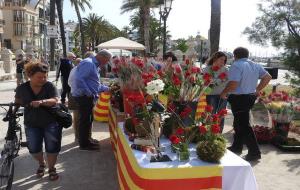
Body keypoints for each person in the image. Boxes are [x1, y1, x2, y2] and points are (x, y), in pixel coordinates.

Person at [220, 47, 272, 161]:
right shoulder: (255, 64)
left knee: (244, 124)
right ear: (247, 55)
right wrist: (257, 89)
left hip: (239, 98)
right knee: (238, 122)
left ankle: (254, 152)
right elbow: (268, 77)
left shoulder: (236, 65)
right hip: (249, 97)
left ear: (235, 55)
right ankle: (237, 146)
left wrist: (224, 93)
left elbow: (233, 84)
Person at [14, 62, 61, 181]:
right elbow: (18, 101)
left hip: (51, 122)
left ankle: (52, 168)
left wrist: (42, 102)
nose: (43, 79)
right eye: (39, 77)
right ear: (30, 75)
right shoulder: (22, 88)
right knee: (34, 149)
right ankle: (41, 163)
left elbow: (56, 100)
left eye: (45, 76)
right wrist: (13, 111)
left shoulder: (49, 86)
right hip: (31, 123)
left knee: (52, 147)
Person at [71, 50, 112, 151]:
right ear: (101, 56)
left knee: (88, 119)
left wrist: (107, 88)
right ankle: (84, 144)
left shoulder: (94, 64)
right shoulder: (88, 63)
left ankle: (87, 140)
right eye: (107, 60)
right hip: (84, 96)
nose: (107, 63)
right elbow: (79, 79)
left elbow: (94, 83)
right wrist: (88, 92)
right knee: (85, 120)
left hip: (87, 96)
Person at [204, 51, 229, 133]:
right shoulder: (207, 68)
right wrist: (219, 80)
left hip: (222, 94)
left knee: (221, 114)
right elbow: (206, 81)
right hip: (211, 94)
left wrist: (216, 81)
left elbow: (227, 81)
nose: (223, 62)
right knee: (210, 114)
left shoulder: (225, 69)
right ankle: (208, 132)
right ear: (215, 59)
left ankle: (218, 133)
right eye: (221, 59)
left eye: (224, 60)